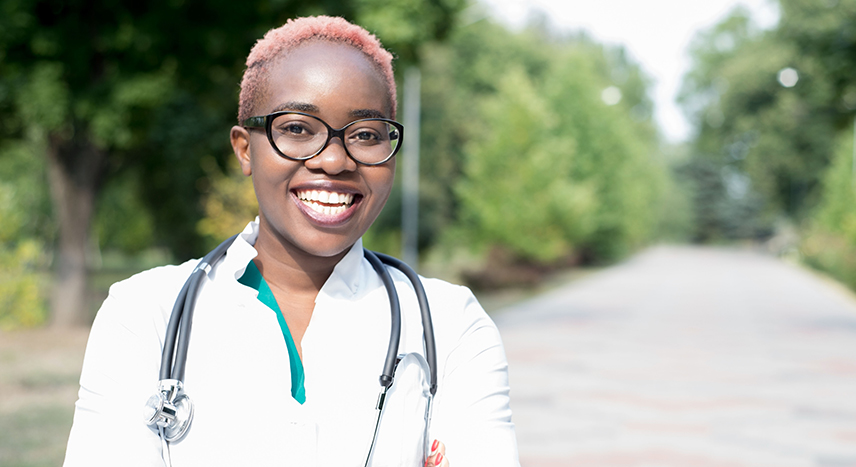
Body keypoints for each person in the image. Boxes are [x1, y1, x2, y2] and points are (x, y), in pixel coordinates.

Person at [63, 16, 519, 467]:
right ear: (245, 148)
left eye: (365, 135)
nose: (336, 160)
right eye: (298, 129)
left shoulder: (449, 327)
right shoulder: (145, 314)